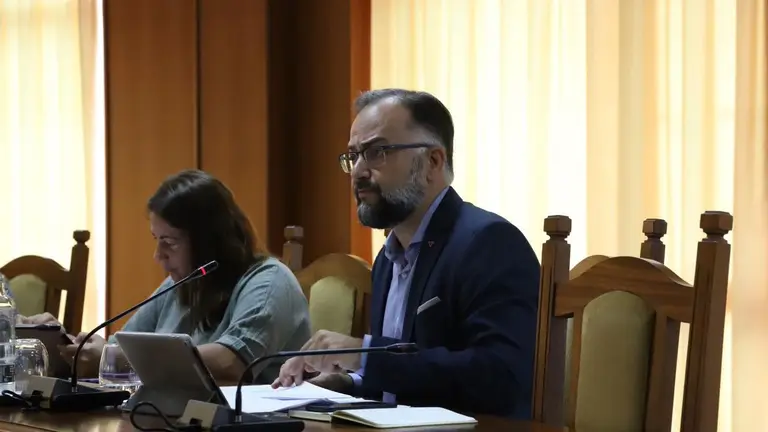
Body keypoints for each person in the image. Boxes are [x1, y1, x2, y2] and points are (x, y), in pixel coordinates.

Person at [273, 89, 541, 418]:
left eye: (377, 152)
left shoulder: (490, 243)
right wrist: (345, 382)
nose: (357, 171)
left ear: (433, 161)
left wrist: (365, 355)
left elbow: (501, 377)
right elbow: (399, 383)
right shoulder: (388, 259)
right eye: (353, 156)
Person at [22, 169, 312, 383]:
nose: (158, 256)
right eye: (155, 239)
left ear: (210, 241)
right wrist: (62, 343)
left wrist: (116, 359)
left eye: (169, 243)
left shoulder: (268, 281)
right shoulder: (185, 282)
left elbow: (231, 363)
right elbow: (120, 348)